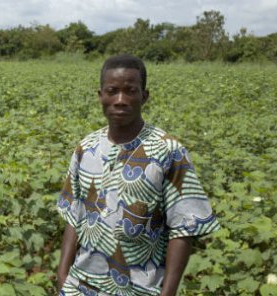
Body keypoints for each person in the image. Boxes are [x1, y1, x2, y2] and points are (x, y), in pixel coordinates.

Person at [56, 54, 219, 296]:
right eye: (112, 91)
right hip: (81, 286)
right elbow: (74, 214)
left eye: (130, 91)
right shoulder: (86, 148)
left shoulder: (168, 151)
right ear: (100, 95)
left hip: (141, 288)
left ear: (144, 96)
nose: (120, 100)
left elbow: (183, 227)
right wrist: (62, 275)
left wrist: (168, 293)